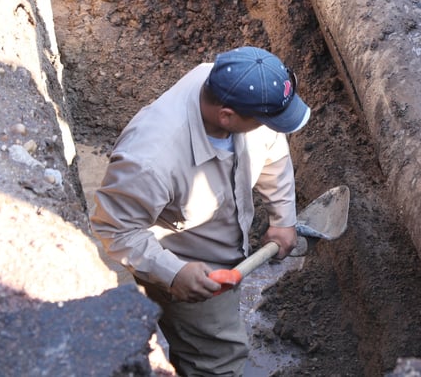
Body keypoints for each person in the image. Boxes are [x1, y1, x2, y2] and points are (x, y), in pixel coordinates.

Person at [90, 45, 311, 377]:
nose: (270, 126)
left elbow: (273, 147)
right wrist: (172, 273)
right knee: (218, 361)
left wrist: (283, 218)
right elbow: (115, 230)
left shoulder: (238, 88)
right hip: (186, 264)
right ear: (227, 116)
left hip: (225, 246)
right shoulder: (149, 161)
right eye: (264, 120)